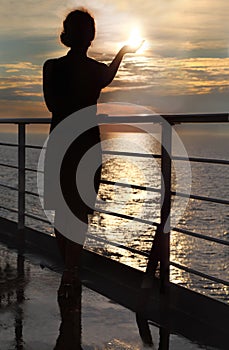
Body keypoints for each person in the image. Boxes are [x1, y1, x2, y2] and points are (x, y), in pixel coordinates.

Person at [43, 8, 142, 299]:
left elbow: (51, 104)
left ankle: (68, 270)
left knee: (61, 211)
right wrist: (124, 50)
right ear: (91, 37)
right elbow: (109, 74)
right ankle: (71, 271)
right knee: (79, 211)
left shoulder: (51, 67)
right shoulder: (96, 71)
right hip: (87, 146)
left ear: (66, 34)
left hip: (60, 143)